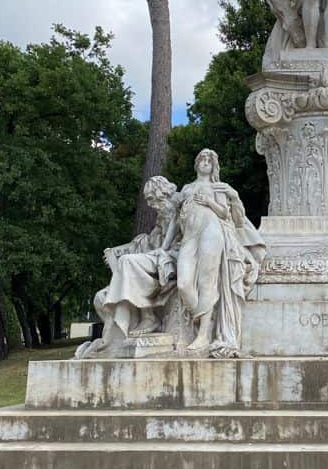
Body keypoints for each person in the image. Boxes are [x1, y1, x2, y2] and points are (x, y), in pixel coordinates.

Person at [163, 149, 265, 356]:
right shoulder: (187, 188)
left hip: (211, 232)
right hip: (189, 237)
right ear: (196, 163)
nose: (205, 162)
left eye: (209, 160)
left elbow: (225, 213)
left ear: (214, 165)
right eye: (202, 159)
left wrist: (209, 202)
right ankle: (205, 322)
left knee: (206, 282)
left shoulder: (219, 187)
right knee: (184, 284)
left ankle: (202, 336)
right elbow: (175, 220)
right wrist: (164, 248)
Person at [74, 176, 180, 359]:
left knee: (127, 262)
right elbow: (154, 242)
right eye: (148, 200)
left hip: (174, 260)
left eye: (152, 199)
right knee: (102, 296)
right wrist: (134, 245)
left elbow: (181, 243)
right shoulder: (163, 214)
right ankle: (113, 338)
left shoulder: (178, 209)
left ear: (163, 194)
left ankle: (149, 317)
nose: (150, 204)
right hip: (160, 257)